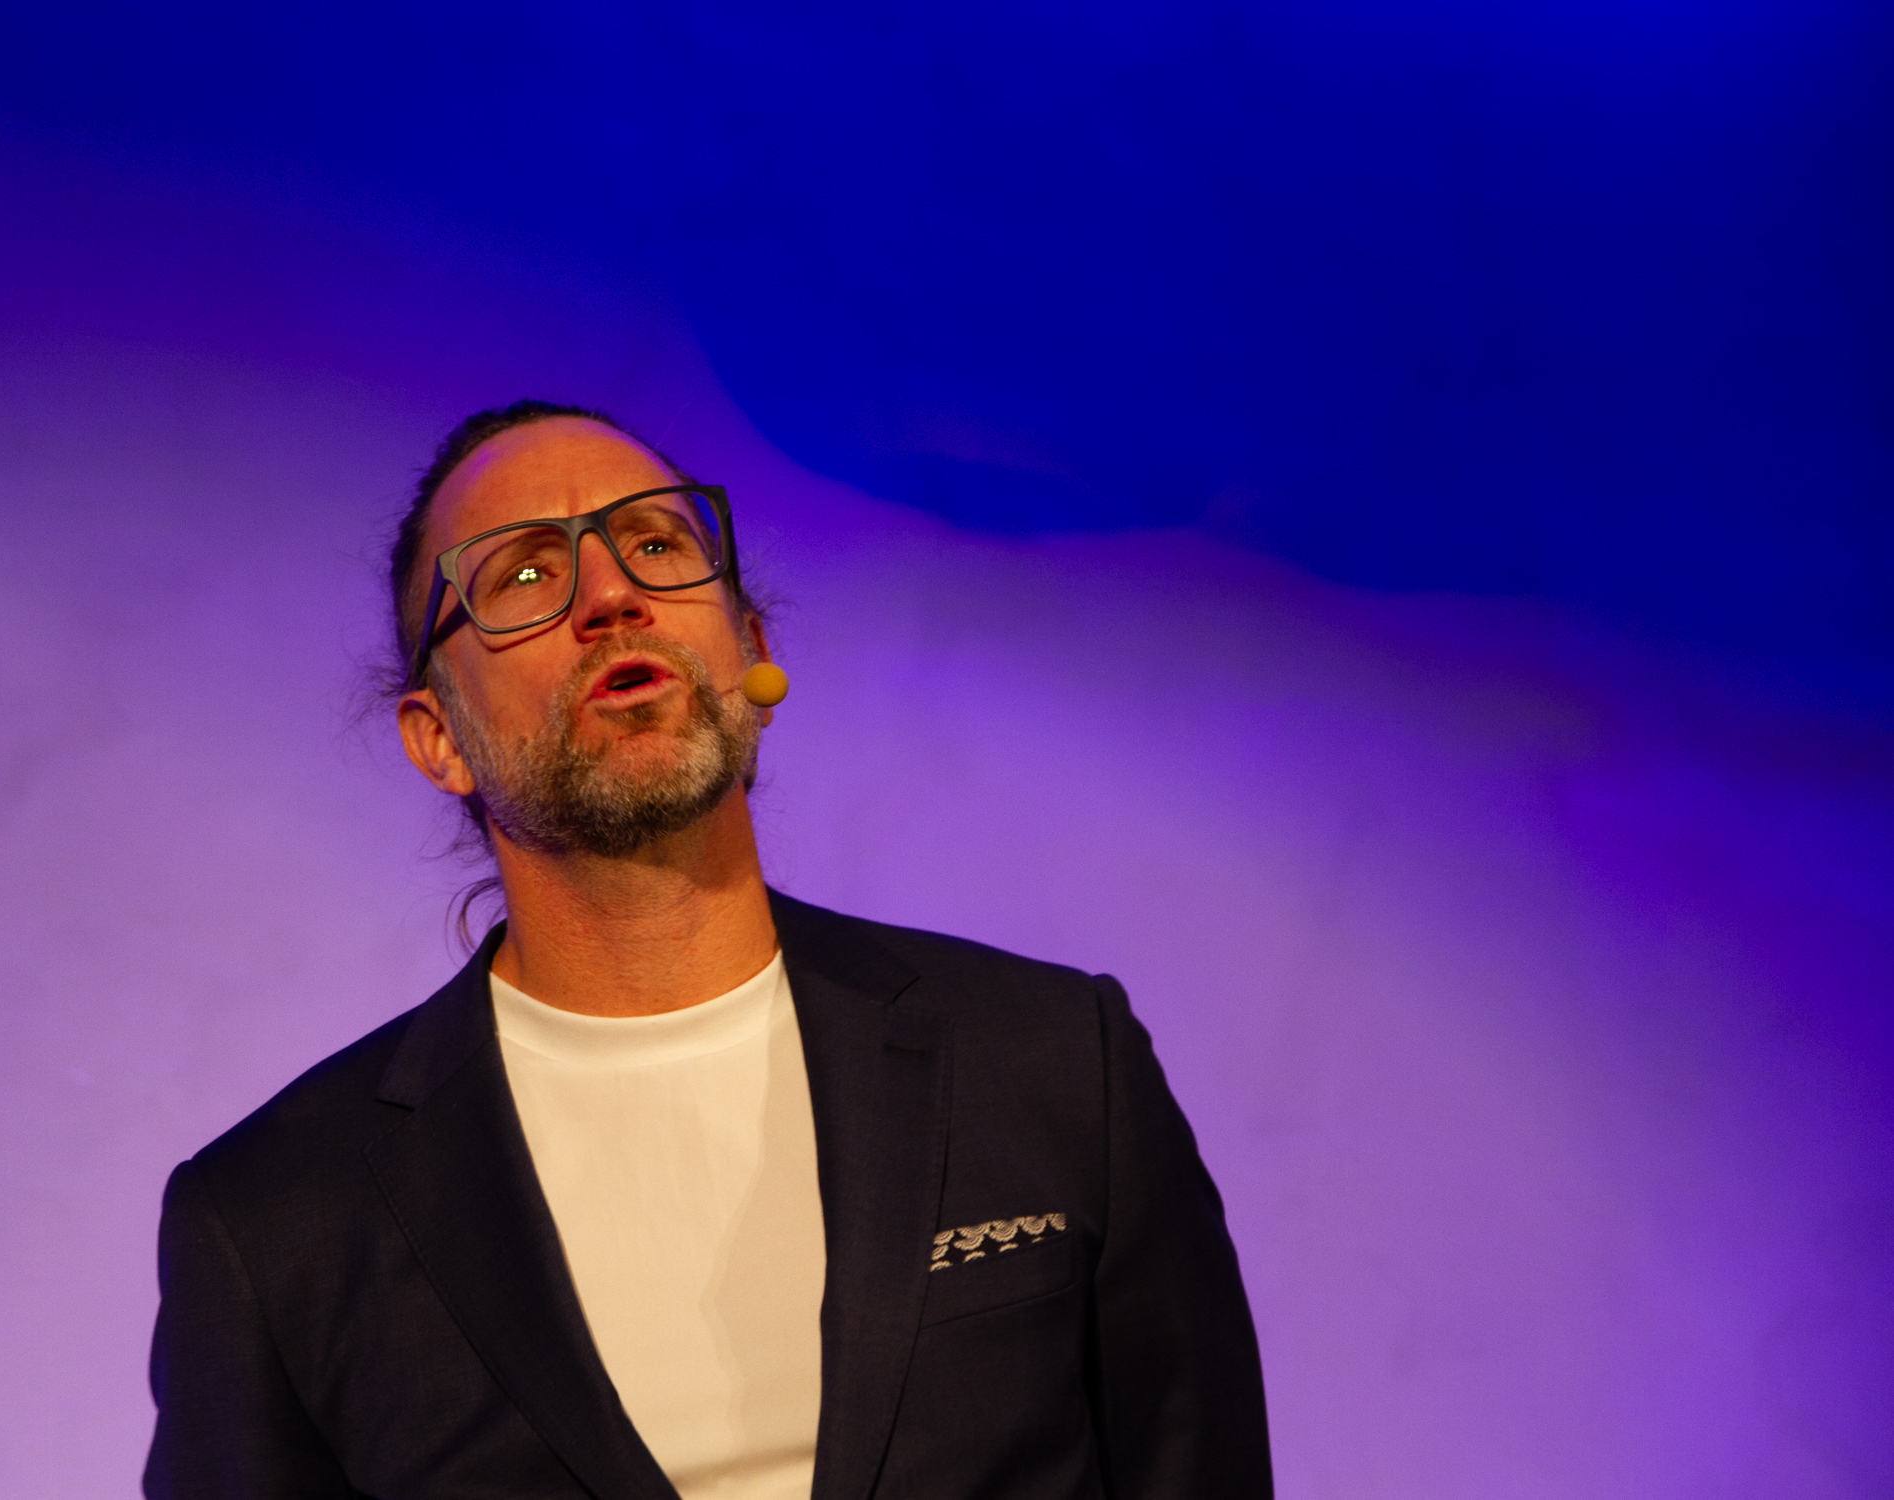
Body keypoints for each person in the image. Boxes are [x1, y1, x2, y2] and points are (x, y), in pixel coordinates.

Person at [143, 400, 1273, 1499]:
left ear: (751, 649)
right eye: (524, 575)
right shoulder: (276, 1223)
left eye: (655, 543)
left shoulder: (1054, 1065)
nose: (611, 596)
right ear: (439, 737)